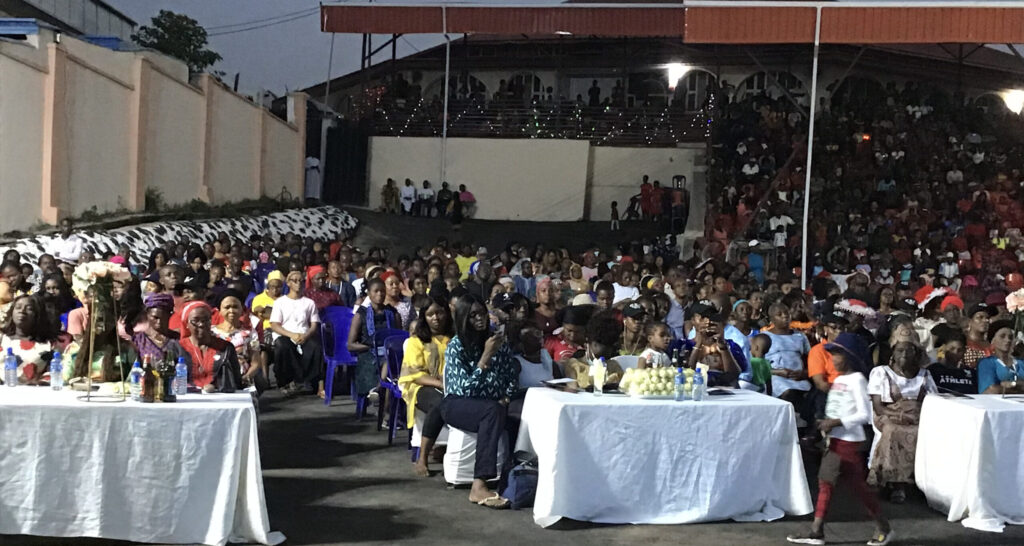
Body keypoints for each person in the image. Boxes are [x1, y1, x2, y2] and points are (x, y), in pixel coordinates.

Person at [787, 335, 891, 546]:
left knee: (854, 487)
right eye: (831, 354)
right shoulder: (839, 380)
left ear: (850, 357)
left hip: (849, 443)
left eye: (837, 354)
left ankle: (883, 527)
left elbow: (865, 414)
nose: (832, 359)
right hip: (835, 441)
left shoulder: (858, 380)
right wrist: (826, 425)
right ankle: (817, 530)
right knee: (828, 484)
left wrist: (835, 422)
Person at [419, 294, 517, 508]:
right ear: (463, 318)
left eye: (482, 313)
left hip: (491, 403)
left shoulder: (497, 342)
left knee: (517, 413)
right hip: (456, 404)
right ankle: (479, 485)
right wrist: (485, 358)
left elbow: (511, 375)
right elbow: (465, 389)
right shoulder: (457, 346)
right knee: (492, 411)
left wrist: (507, 396)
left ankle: (516, 474)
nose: (480, 319)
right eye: (473, 315)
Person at [867, 341, 937, 502]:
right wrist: (901, 415)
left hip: (918, 415)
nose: (904, 354)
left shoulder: (925, 375)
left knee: (930, 431)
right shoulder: (881, 372)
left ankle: (923, 481)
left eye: (909, 351)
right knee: (893, 430)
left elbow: (934, 400)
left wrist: (918, 415)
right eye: (900, 350)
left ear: (916, 353)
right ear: (893, 353)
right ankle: (897, 483)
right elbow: (878, 407)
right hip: (889, 415)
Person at [400, 298, 453, 477]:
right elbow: (414, 373)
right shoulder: (416, 341)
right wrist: (440, 383)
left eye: (439, 313)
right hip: (421, 386)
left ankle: (448, 449)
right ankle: (422, 457)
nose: (435, 318)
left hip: (453, 384)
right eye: (430, 314)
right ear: (424, 317)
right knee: (438, 404)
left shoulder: (454, 338)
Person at [270, 271, 322, 395]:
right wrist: (291, 335)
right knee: (283, 346)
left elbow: (314, 324)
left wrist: (306, 335)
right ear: (288, 283)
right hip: (285, 334)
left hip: (304, 334)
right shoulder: (280, 302)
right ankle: (285, 381)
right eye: (295, 281)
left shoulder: (309, 303)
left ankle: (310, 381)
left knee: (315, 347)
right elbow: (275, 325)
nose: (298, 283)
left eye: (301, 281)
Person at [348, 278, 400, 398]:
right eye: (376, 291)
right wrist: (371, 347)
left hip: (390, 353)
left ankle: (378, 389)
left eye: (382, 291)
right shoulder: (361, 315)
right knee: (377, 365)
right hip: (369, 353)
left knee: (389, 361)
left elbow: (398, 337)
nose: (380, 294)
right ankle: (378, 390)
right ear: (369, 293)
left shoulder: (393, 313)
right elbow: (350, 345)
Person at [178, 301, 242, 393]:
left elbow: (236, 381)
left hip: (221, 398)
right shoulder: (177, 348)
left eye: (205, 320)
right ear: (186, 324)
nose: (201, 324)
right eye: (195, 320)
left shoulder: (226, 348)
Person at [0, 295, 56, 384]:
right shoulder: (2, 339)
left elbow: (55, 373)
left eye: (29, 309)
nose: (22, 311)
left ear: (37, 315)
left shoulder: (49, 344)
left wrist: (41, 382)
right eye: (18, 307)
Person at [214, 294, 265, 390]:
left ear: (242, 309)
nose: (231, 311)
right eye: (227, 307)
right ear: (220, 310)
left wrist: (245, 378)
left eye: (235, 307)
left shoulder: (250, 333)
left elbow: (256, 363)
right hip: (216, 380)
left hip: (243, 380)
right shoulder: (212, 333)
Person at [763, 303, 812, 401]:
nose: (785, 316)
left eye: (787, 313)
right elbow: (756, 365)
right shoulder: (764, 337)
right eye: (779, 314)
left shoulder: (800, 336)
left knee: (809, 394)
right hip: (776, 376)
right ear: (772, 319)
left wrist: (804, 373)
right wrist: (778, 372)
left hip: (798, 376)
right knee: (788, 393)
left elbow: (811, 359)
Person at [130, 292, 186, 364]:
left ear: (170, 316)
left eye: (163, 318)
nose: (159, 322)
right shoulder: (138, 340)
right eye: (155, 317)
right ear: (147, 314)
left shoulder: (178, 339)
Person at [976, 320, 1024, 394]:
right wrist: (1018, 387)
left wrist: (1010, 385)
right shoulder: (987, 363)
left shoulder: (1021, 363)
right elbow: (991, 390)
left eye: (1010, 337)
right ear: (993, 340)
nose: (1007, 340)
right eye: (1002, 336)